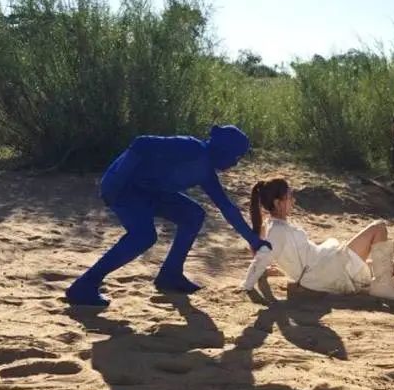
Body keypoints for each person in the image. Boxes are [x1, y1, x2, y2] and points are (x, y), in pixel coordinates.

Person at [66, 126, 270, 307]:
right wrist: (118, 180)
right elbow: (141, 143)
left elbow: (227, 208)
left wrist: (253, 240)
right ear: (224, 150)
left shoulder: (206, 172)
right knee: (143, 237)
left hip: (152, 193)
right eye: (236, 157)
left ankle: (170, 275)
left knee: (193, 215)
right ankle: (85, 285)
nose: (235, 163)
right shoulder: (191, 147)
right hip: (125, 187)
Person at [242, 177, 394, 298]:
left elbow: (266, 253)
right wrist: (248, 285)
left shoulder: (273, 227)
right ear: (278, 203)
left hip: (324, 267)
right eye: (290, 196)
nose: (293, 200)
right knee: (378, 228)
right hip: (326, 270)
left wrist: (267, 272)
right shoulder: (276, 231)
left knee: (390, 265)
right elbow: (263, 255)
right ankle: (384, 287)